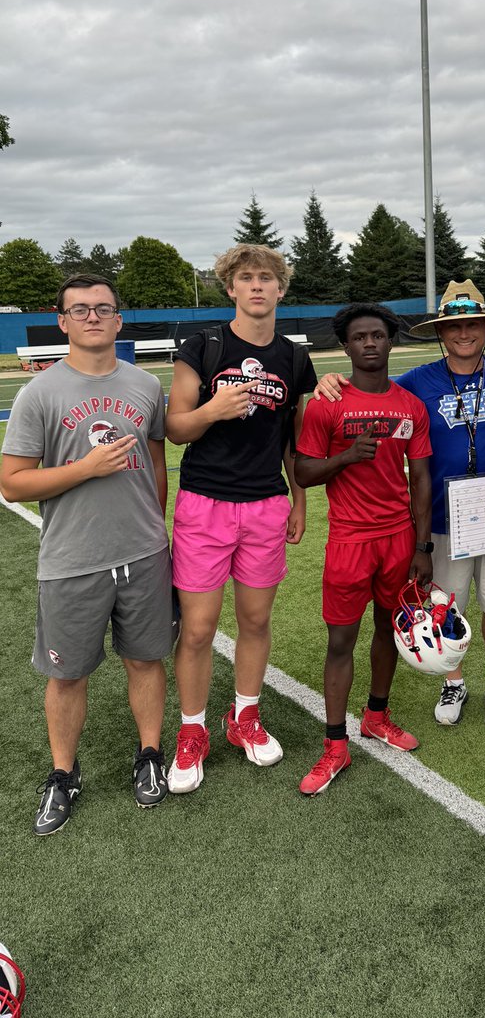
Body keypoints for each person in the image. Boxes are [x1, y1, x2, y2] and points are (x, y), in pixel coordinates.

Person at [1, 274, 175, 834]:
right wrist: (85, 469)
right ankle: (63, 773)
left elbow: (154, 460)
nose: (93, 317)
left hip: (143, 552)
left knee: (146, 659)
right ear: (62, 320)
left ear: (119, 319)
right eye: (80, 310)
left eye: (103, 308)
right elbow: (13, 483)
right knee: (67, 675)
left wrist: (155, 523)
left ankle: (149, 756)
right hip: (72, 558)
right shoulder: (40, 394)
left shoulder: (146, 385)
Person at [314, 280, 485, 727]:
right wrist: (329, 381)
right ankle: (453, 681)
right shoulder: (416, 382)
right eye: (454, 326)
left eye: (474, 325)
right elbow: (370, 389)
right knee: (446, 604)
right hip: (444, 521)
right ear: (440, 333)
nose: (464, 333)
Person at [165, 243, 316, 793]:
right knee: (200, 628)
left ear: (281, 289)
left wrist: (298, 500)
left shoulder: (295, 359)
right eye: (246, 278)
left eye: (267, 278)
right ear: (230, 288)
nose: (257, 286)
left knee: (254, 621)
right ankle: (192, 730)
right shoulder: (203, 345)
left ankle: (244, 717)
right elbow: (176, 427)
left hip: (265, 504)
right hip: (205, 502)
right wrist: (213, 409)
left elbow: (294, 443)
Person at [294, 303, 433, 795]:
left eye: (378, 335)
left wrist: (423, 545)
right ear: (347, 346)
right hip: (349, 540)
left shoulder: (409, 406)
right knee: (339, 642)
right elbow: (303, 473)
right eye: (360, 337)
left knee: (387, 630)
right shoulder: (327, 403)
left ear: (391, 342)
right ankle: (335, 744)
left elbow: (421, 477)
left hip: (399, 539)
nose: (370, 343)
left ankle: (376, 715)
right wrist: (348, 455)